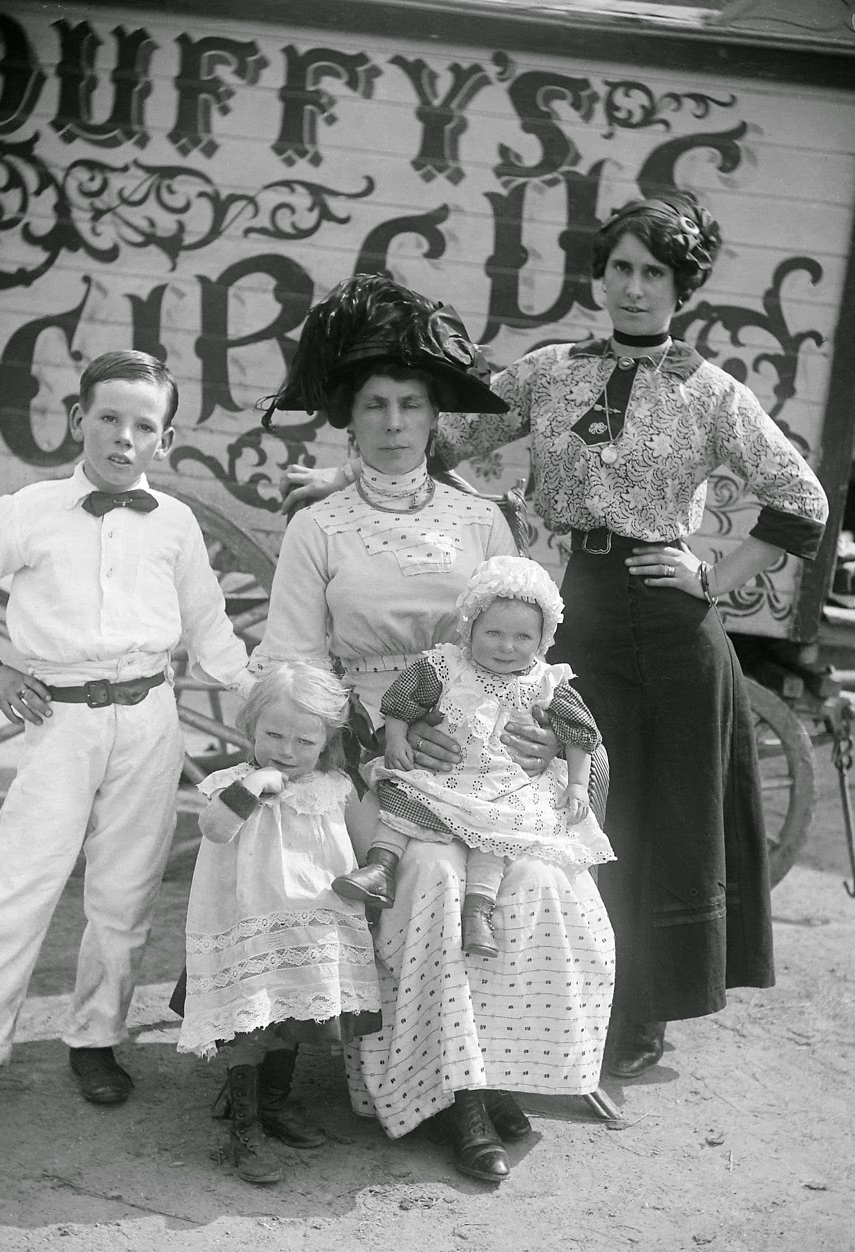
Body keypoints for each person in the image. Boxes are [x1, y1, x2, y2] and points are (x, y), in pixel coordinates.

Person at [282, 194, 829, 1081]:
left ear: (682, 285)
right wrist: (342, 476)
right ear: (600, 275)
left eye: (656, 272)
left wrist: (712, 580)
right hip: (581, 609)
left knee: (660, 814)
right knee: (574, 803)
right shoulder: (551, 372)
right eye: (621, 268)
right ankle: (568, 996)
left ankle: (645, 1013)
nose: (635, 288)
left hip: (674, 618)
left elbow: (800, 498)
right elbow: (435, 436)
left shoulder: (710, 391)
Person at [252, 275, 615, 1183]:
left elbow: (521, 647)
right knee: (431, 872)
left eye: (410, 403)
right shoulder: (318, 527)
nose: (391, 421)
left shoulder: (482, 519)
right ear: (348, 418)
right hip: (371, 755)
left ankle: (494, 1072)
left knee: (535, 871)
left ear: (432, 417)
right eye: (372, 404)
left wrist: (539, 736)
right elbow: (292, 667)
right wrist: (374, 738)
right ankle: (449, 1099)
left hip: (487, 757)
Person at [0, 350, 253, 1136]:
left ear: (165, 438)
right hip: (57, 721)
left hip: (150, 720)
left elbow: (214, 637)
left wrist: (278, 709)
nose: (122, 438)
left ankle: (95, 1038)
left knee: (125, 890)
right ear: (79, 420)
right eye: (107, 418)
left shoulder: (175, 524)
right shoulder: (27, 510)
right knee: (19, 885)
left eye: (143, 425)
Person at [332, 554, 615, 961]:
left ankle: (479, 912)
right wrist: (396, 739)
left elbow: (580, 733)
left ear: (542, 640)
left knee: (496, 836)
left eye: (522, 638)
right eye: (493, 633)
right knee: (406, 799)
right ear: (470, 628)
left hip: (505, 786)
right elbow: (402, 702)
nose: (506, 646)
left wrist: (575, 783)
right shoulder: (447, 666)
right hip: (445, 773)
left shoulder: (547, 681)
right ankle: (380, 867)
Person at [176, 662, 381, 1185]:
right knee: (251, 1022)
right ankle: (243, 1122)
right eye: (273, 735)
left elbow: (365, 846)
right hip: (250, 922)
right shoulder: (230, 784)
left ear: (327, 742)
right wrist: (254, 785)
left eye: (303, 741)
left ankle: (273, 1101)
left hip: (307, 927)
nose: (286, 751)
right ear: (250, 727)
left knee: (290, 1017)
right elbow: (216, 830)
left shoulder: (334, 788)